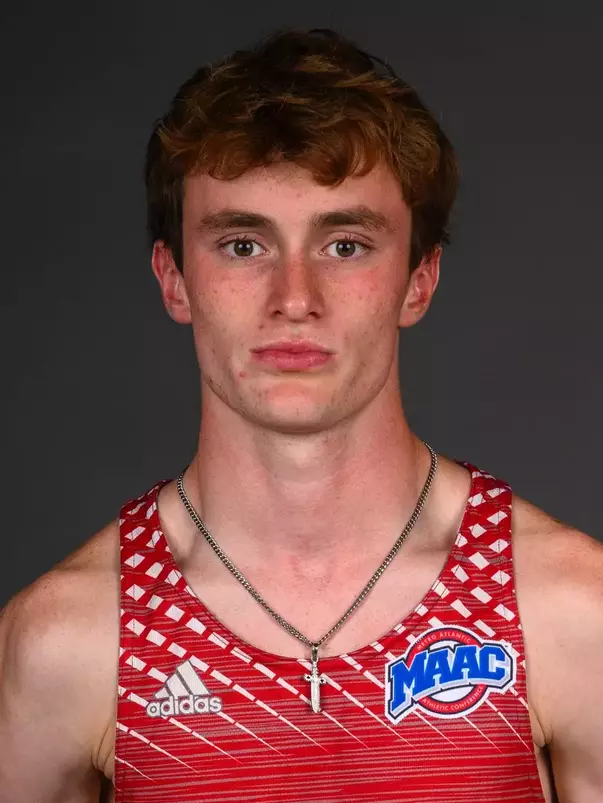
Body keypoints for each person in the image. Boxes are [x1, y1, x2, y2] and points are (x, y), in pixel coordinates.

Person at [0, 26, 601, 803]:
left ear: (418, 280)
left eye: (344, 244)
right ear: (174, 279)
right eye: (242, 245)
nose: (293, 298)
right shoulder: (67, 641)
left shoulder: (568, 611)